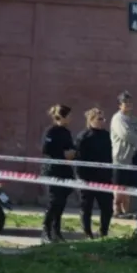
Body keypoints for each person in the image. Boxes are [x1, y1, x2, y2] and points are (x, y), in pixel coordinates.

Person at [75, 107, 114, 239]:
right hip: (87, 178)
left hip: (104, 178)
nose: (103, 121)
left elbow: (109, 156)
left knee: (107, 207)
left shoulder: (106, 135)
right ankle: (87, 233)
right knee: (86, 207)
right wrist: (80, 178)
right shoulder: (83, 137)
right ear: (91, 120)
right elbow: (78, 158)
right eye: (99, 119)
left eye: (104, 119)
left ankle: (104, 232)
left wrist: (109, 174)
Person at [41, 104, 76, 243]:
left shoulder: (66, 132)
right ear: (61, 117)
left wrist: (73, 153)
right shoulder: (51, 132)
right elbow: (46, 149)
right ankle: (46, 230)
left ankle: (57, 231)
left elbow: (71, 147)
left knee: (61, 202)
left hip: (64, 171)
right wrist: (62, 154)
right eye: (69, 115)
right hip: (52, 170)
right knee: (54, 201)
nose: (71, 118)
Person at [110, 91, 137, 218]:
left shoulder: (135, 120)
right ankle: (116, 210)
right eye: (125, 102)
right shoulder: (118, 118)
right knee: (119, 185)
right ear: (119, 105)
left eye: (129, 102)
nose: (128, 104)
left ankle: (126, 211)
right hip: (121, 157)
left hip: (133, 157)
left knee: (128, 186)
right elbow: (126, 134)